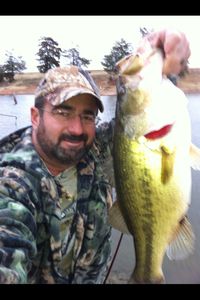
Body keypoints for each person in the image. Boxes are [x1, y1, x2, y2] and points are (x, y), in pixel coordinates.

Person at [0, 29, 190, 284]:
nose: (77, 128)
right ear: (35, 116)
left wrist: (160, 54)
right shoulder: (12, 186)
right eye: (63, 112)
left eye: (87, 115)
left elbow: (139, 115)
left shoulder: (94, 148)